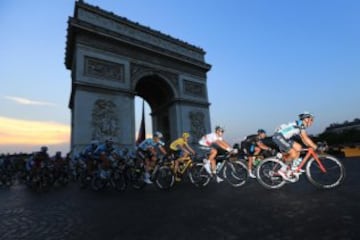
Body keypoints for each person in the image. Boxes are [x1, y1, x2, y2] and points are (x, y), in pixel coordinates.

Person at [272, 112, 318, 181]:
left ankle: (292, 170)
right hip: (279, 136)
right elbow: (305, 138)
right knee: (293, 152)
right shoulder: (301, 124)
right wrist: (315, 146)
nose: (312, 122)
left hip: (284, 138)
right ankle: (282, 170)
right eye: (311, 120)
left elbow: (303, 139)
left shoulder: (300, 125)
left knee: (299, 148)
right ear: (306, 119)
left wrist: (309, 146)